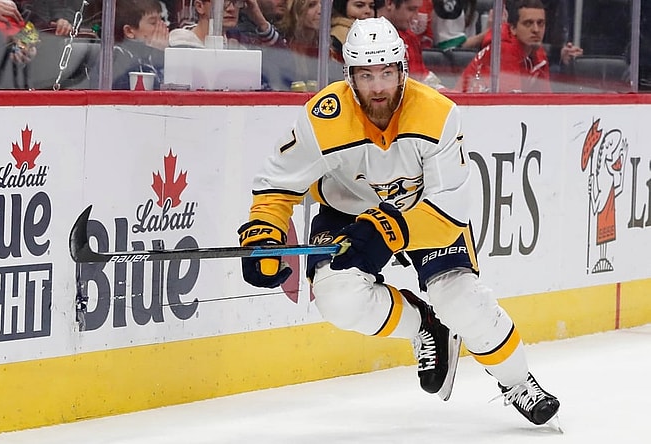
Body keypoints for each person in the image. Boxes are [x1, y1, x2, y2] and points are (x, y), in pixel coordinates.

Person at [237, 16, 560, 427]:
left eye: (386, 73)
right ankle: (425, 324)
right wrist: (264, 232)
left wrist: (386, 230)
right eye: (366, 75)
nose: (377, 87)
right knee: (337, 299)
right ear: (348, 76)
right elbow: (276, 185)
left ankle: (517, 382)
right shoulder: (323, 116)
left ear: (402, 70)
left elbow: (450, 209)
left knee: (459, 300)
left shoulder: (438, 114)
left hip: (424, 214)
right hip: (349, 212)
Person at [457, 0, 550, 92]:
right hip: (464, 104)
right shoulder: (504, 50)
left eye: (540, 23)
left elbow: (547, 101)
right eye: (528, 23)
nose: (536, 29)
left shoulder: (538, 53)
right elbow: (510, 103)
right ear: (513, 28)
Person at [376, 0, 443, 89]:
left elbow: (423, 78)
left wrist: (446, 92)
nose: (415, 17)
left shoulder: (410, 37)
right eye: (411, 9)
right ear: (389, 3)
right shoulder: (368, 39)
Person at [106, 0, 167, 90]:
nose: (162, 26)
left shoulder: (162, 54)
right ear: (129, 31)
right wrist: (156, 55)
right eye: (153, 23)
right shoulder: (116, 56)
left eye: (162, 20)